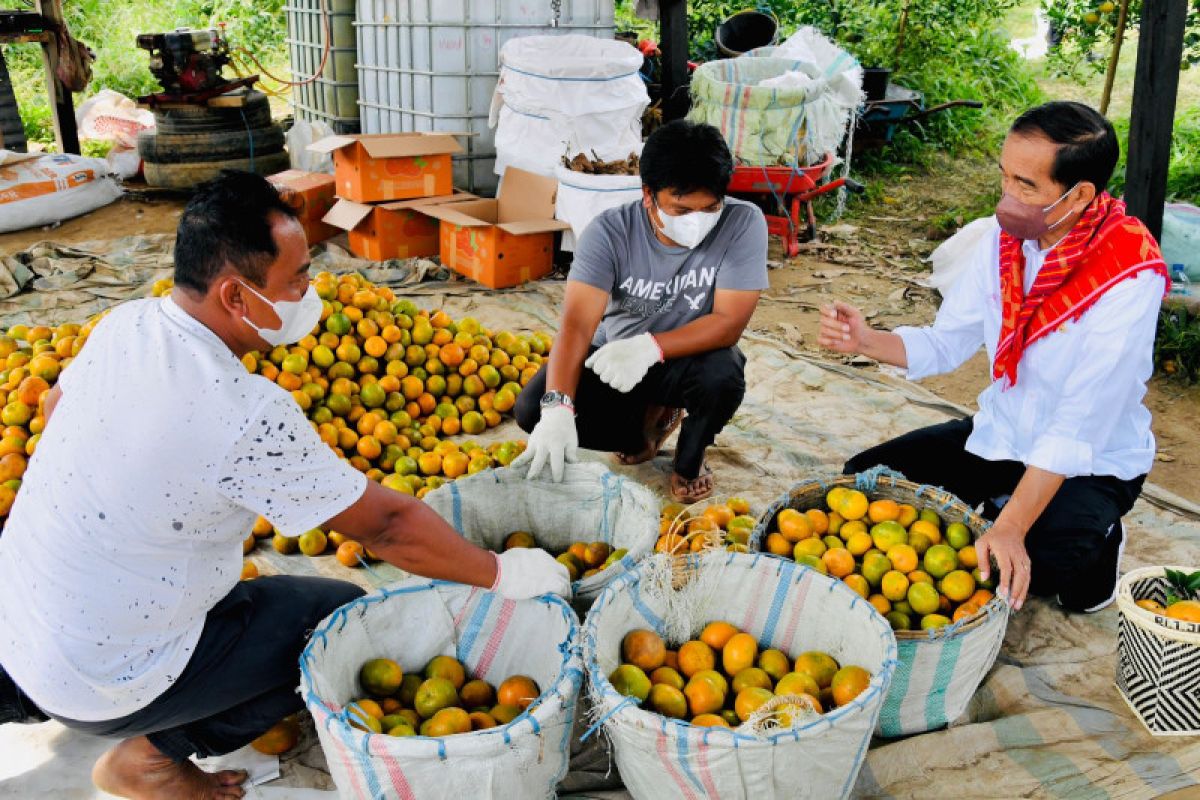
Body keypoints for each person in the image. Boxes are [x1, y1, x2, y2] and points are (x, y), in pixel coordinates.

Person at [0, 171, 570, 800]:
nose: (311, 290)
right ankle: (149, 759)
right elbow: (386, 526)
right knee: (324, 621)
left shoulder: (124, 324)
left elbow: (55, 409)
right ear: (236, 297)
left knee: (226, 594)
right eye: (297, 278)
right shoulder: (242, 411)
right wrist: (502, 574)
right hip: (95, 676)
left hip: (19, 625)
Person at [819, 101, 1169, 615]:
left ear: (1082, 195)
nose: (1008, 197)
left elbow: (1078, 426)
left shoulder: (1129, 277)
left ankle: (1096, 536)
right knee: (869, 479)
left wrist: (1010, 528)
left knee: (1036, 567)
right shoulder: (1000, 242)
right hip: (1005, 435)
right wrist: (866, 341)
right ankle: (1005, 500)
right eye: (1005, 177)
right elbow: (946, 341)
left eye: (1026, 186)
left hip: (1092, 461)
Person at [515, 120, 769, 502]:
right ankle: (648, 426)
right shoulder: (610, 233)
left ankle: (689, 459)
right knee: (531, 410)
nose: (697, 221)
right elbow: (577, 326)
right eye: (681, 209)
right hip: (617, 358)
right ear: (648, 194)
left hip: (688, 357)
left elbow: (728, 323)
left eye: (710, 208)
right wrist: (558, 407)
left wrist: (652, 346)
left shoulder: (742, 223)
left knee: (724, 374)